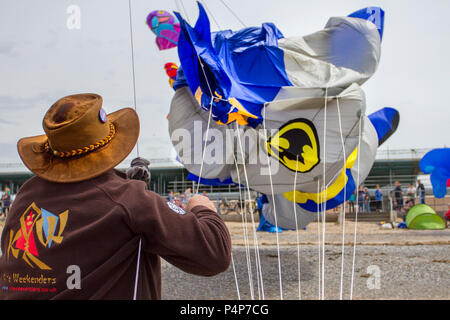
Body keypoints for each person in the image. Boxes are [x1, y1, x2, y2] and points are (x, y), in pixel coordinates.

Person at [0, 94, 231, 299]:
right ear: (106, 146)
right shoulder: (127, 199)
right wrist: (202, 208)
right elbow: (215, 252)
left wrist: (124, 188)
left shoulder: (26, 195)